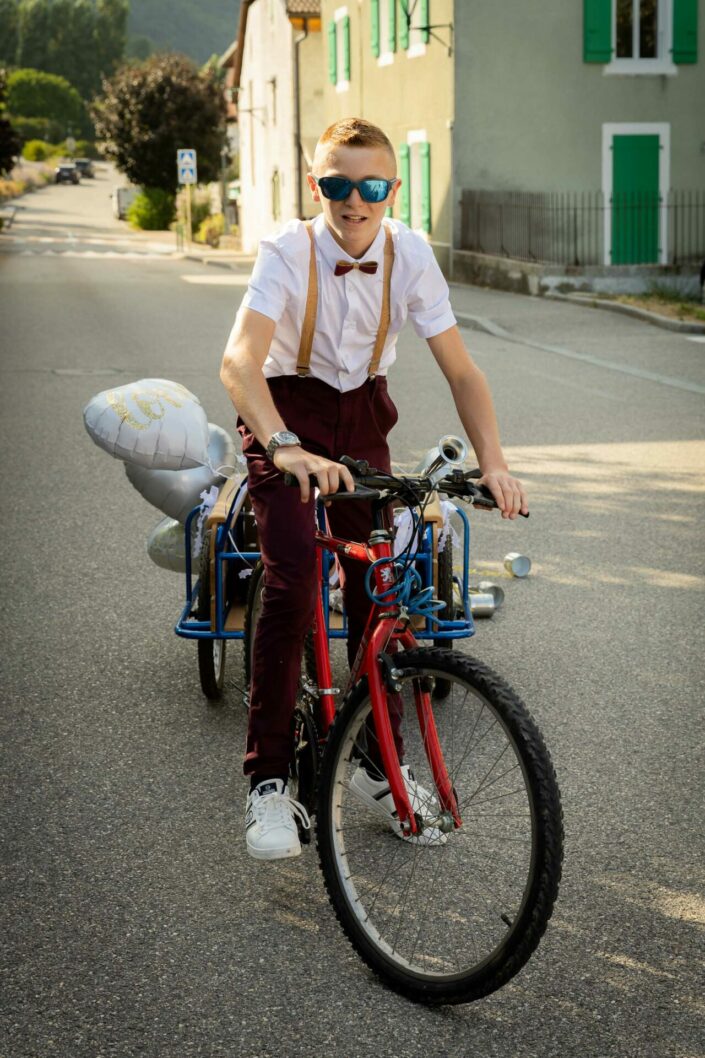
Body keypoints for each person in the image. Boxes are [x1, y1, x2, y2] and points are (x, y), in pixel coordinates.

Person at [219, 117, 528, 861]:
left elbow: (460, 369)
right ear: (314, 184)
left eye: (369, 186)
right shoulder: (287, 251)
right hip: (283, 412)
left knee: (376, 587)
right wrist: (284, 447)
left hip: (361, 420)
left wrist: (493, 460)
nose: (352, 201)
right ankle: (267, 782)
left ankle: (371, 762)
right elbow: (239, 362)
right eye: (334, 184)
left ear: (392, 188)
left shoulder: (408, 253)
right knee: (294, 577)